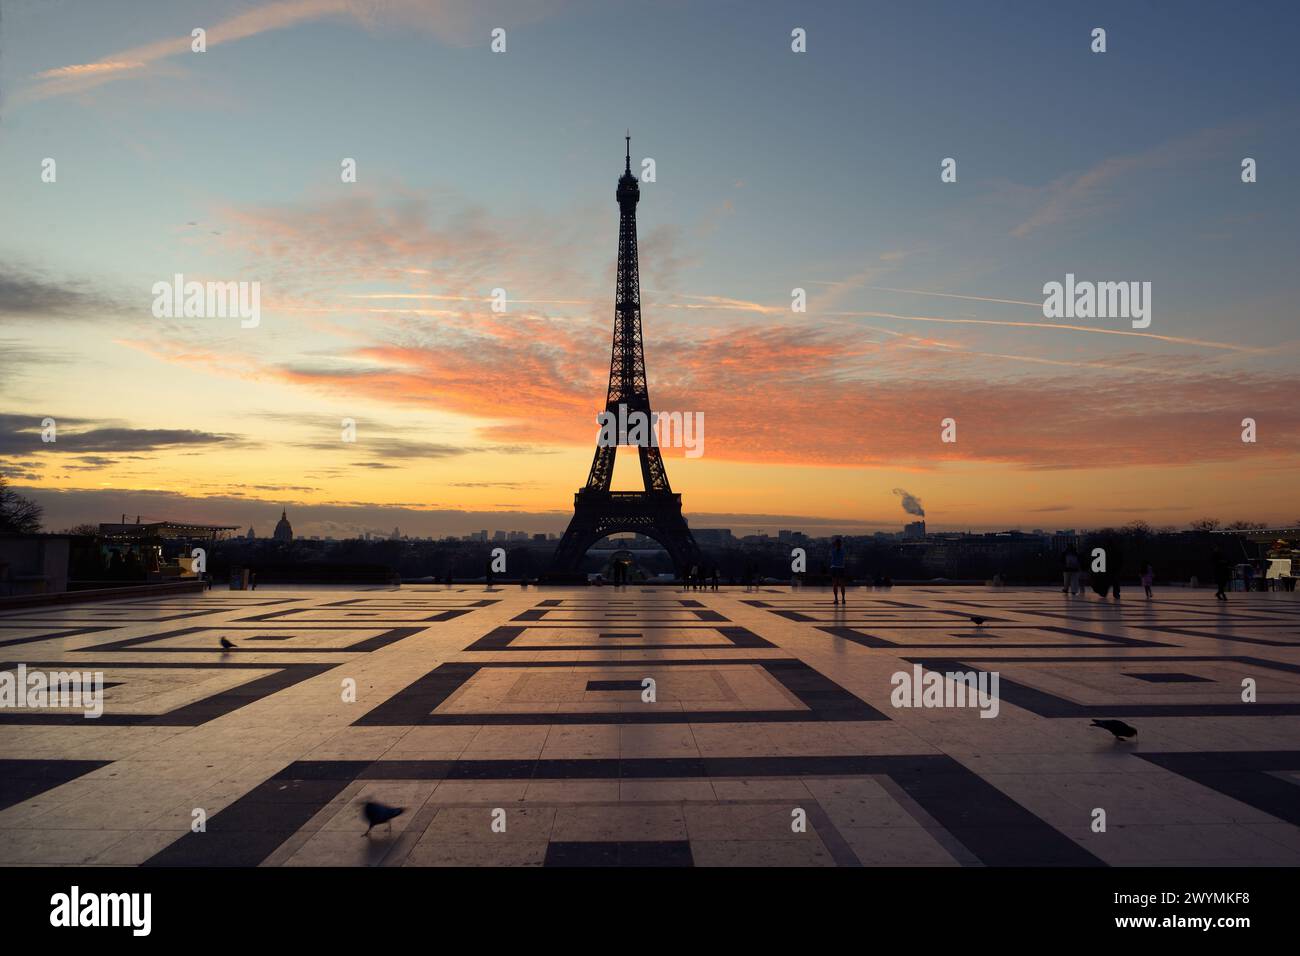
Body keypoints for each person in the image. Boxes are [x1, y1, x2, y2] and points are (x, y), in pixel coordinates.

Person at [829, 537, 846, 605]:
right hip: (841, 568)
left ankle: (836, 599)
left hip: (834, 568)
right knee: (842, 584)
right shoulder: (843, 551)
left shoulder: (833, 551)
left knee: (835, 584)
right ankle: (843, 598)